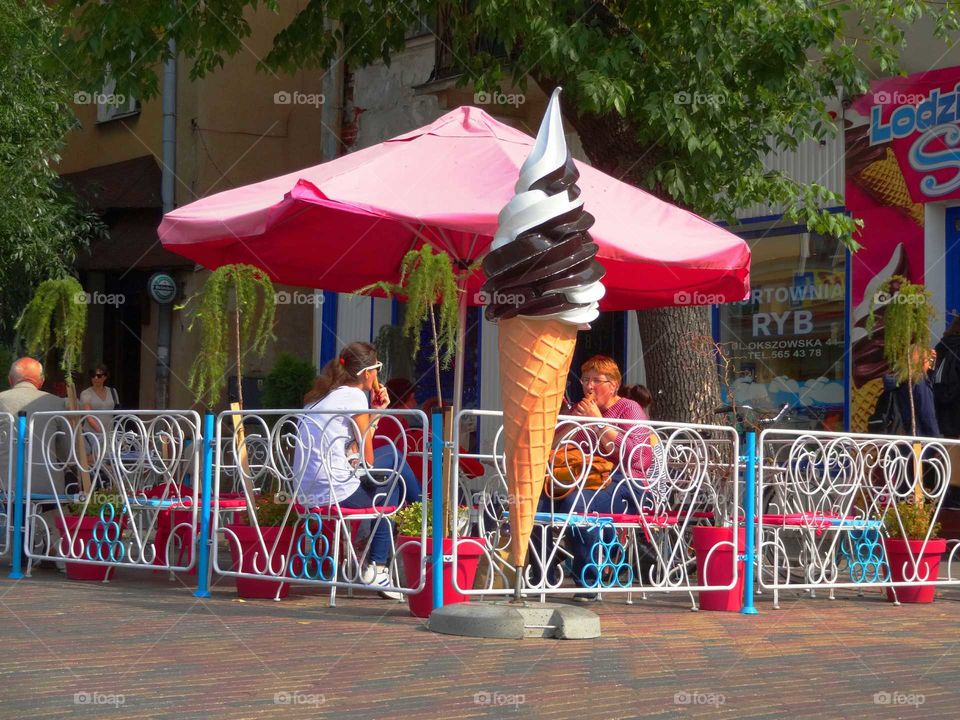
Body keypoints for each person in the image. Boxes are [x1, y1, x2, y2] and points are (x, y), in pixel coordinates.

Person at [294, 342, 406, 599]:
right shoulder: (355, 396)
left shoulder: (323, 396)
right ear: (367, 372)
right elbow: (367, 458)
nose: (378, 375)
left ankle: (415, 509)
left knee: (393, 472)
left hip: (305, 493)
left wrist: (375, 412)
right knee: (393, 482)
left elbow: (354, 447)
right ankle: (377, 566)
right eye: (378, 368)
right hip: (333, 491)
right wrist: (376, 412)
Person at [537, 355, 654, 599]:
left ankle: (587, 580)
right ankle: (541, 578)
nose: (589, 386)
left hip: (626, 483)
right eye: (585, 380)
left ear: (613, 385)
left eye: (596, 380)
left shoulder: (628, 408)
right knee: (538, 503)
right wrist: (573, 423)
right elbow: (550, 447)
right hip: (584, 480)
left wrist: (600, 423)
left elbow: (641, 458)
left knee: (575, 505)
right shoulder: (579, 410)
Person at [0, 358, 69, 567]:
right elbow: (68, 451)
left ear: (11, 380)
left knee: (14, 499)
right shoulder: (57, 403)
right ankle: (54, 550)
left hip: (5, 484)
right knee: (55, 500)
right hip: (47, 485)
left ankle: (23, 551)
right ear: (40, 381)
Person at [79, 363, 119, 443]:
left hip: (110, 433)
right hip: (92, 434)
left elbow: (117, 413)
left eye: (99, 376)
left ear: (105, 377)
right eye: (93, 375)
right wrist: (101, 432)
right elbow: (88, 416)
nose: (95, 378)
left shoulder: (113, 392)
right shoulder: (86, 393)